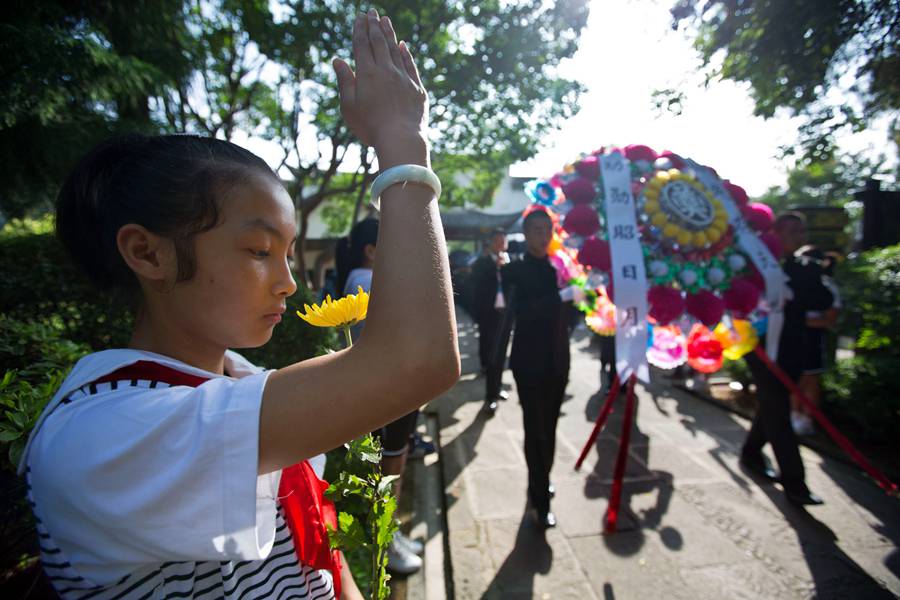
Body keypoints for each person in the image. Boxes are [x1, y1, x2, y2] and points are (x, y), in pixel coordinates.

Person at [20, 10, 459, 599]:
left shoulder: (241, 383)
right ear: (147, 254)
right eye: (258, 249)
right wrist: (403, 145)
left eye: (288, 253)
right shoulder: (101, 434)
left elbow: (318, 561)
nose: (287, 284)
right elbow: (416, 358)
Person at [335, 217, 424, 575]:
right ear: (371, 251)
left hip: (393, 389)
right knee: (389, 472)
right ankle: (385, 546)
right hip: (388, 393)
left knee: (394, 467)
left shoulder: (367, 278)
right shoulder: (366, 280)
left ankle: (393, 534)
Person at [740, 212, 833, 506]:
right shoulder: (754, 265)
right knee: (778, 411)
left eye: (801, 231)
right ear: (775, 234)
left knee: (772, 404)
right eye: (791, 231)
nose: (798, 237)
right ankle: (795, 483)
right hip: (762, 351)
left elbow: (822, 301)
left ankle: (751, 452)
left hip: (793, 349)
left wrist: (812, 273)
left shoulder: (804, 267)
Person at [501, 209, 583, 528]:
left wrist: (579, 299)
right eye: (536, 230)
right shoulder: (515, 271)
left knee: (549, 429)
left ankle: (542, 479)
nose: (543, 235)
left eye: (547, 229)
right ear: (526, 233)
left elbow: (571, 314)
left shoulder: (558, 267)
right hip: (528, 361)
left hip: (558, 359)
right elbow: (519, 312)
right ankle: (539, 499)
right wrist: (558, 298)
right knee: (534, 430)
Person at [791, 246, 842, 435]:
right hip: (792, 336)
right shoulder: (791, 283)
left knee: (810, 378)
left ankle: (806, 418)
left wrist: (797, 319)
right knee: (793, 378)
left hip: (812, 338)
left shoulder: (827, 285)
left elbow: (830, 319)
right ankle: (794, 414)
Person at [471, 229, 511, 413]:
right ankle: (491, 396)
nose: (501, 244)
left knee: (502, 354)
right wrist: (495, 267)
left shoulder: (512, 261)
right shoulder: (482, 263)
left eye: (503, 240)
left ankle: (497, 387)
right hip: (489, 316)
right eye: (497, 240)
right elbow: (475, 288)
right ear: (490, 243)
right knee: (492, 356)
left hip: (505, 316)